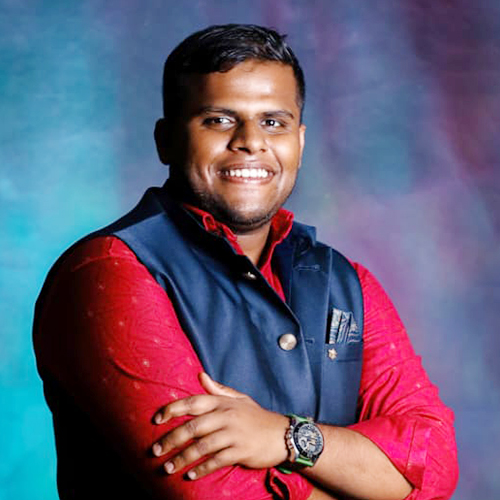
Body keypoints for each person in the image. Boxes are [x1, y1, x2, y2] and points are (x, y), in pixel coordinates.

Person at [33, 24, 458, 500]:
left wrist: (285, 436)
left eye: (273, 122)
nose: (251, 141)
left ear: (299, 142)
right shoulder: (111, 272)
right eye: (218, 120)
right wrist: (369, 482)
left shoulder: (346, 283)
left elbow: (435, 462)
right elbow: (214, 493)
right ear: (166, 140)